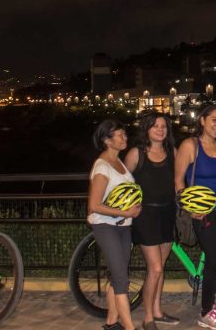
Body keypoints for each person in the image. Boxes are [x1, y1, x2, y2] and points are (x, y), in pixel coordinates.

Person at [174, 105, 216, 330]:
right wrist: (190, 206)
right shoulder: (190, 145)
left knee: (214, 259)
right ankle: (206, 311)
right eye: (214, 120)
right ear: (202, 120)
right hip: (202, 212)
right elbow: (178, 181)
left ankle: (209, 302)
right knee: (215, 260)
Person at [125, 113, 179, 330]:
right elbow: (122, 184)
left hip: (168, 214)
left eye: (164, 126)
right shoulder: (136, 153)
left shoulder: (172, 153)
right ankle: (147, 318)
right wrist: (125, 207)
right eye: (155, 126)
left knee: (161, 267)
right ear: (146, 129)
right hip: (145, 216)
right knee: (155, 268)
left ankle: (157, 310)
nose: (160, 129)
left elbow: (178, 182)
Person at [87, 119, 142, 330]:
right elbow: (95, 204)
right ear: (106, 140)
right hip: (106, 226)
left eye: (125, 134)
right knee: (121, 280)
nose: (125, 138)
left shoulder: (119, 163)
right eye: (120, 135)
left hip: (123, 225)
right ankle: (130, 327)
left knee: (117, 275)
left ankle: (111, 323)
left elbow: (118, 194)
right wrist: (125, 211)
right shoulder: (102, 167)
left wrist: (132, 208)